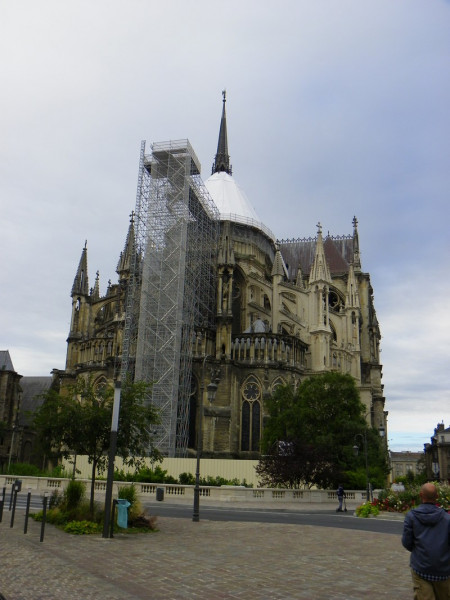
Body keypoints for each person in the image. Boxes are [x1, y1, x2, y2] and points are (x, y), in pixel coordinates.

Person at [402, 482, 450, 600]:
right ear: (437, 496)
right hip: (443, 569)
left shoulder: (411, 516)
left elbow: (407, 542)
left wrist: (419, 550)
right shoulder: (447, 518)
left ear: (420, 495)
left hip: (421, 567)